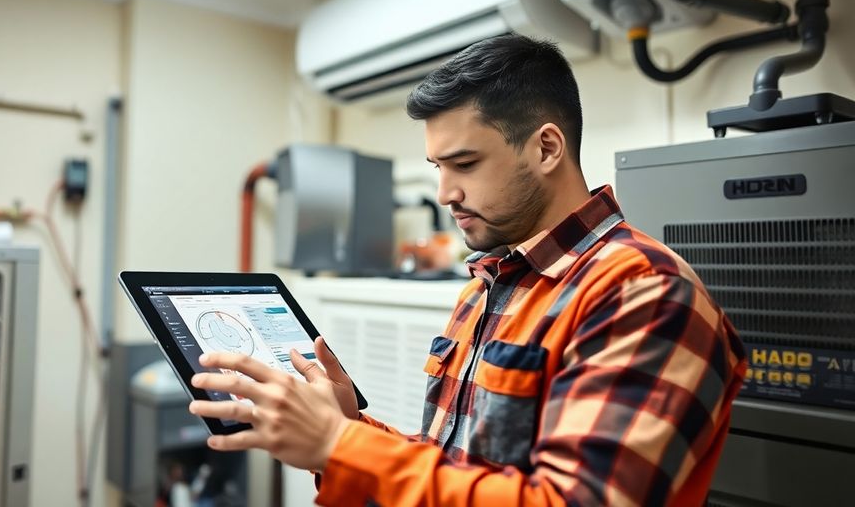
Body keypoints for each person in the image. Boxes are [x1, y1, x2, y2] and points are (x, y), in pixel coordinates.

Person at [188, 34, 746, 506]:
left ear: (546, 148)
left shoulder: (642, 292)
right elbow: (458, 469)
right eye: (438, 167)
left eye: (465, 164)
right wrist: (349, 430)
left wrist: (339, 445)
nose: (444, 193)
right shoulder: (490, 286)